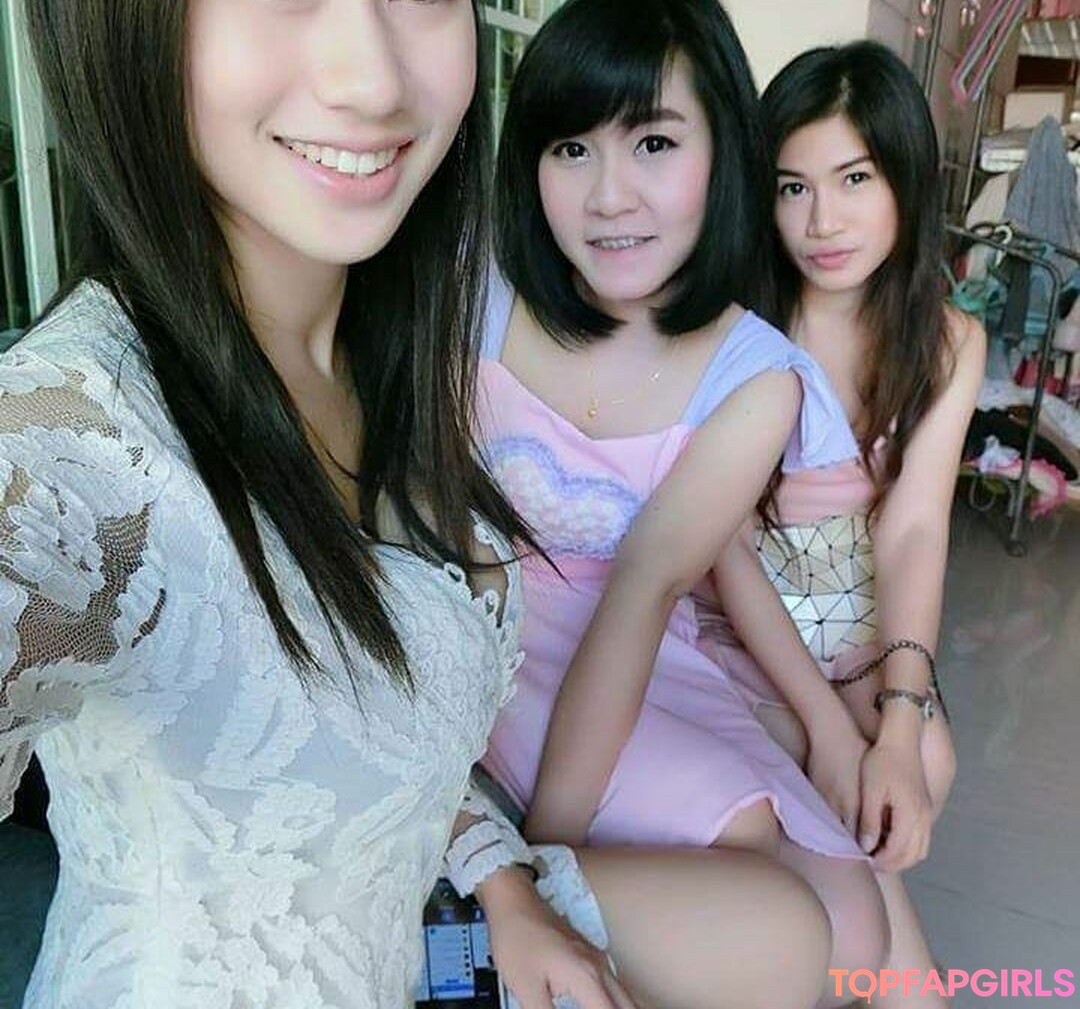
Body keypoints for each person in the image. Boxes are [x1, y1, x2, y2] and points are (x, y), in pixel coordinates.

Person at [0, 1, 832, 1008]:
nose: (375, 81)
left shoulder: (402, 340)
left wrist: (503, 880)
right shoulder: (64, 447)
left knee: (798, 934)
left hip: (413, 925)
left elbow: (397, 724)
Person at [475, 0, 889, 998]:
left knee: (854, 933)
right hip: (485, 633)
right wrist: (540, 876)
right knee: (779, 928)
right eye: (572, 148)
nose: (610, 196)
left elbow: (648, 585)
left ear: (723, 153)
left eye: (654, 142)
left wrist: (550, 859)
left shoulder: (756, 374)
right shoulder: (476, 291)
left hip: (635, 650)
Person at [697, 40, 986, 1006]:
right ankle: (893, 980)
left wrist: (900, 721)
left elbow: (914, 531)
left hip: (852, 609)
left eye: (854, 178)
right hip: (732, 611)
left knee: (923, 757)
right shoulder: (737, 326)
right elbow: (721, 546)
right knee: (825, 768)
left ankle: (870, 970)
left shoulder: (946, 341)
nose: (821, 221)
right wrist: (832, 725)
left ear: (906, 179)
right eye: (793, 187)